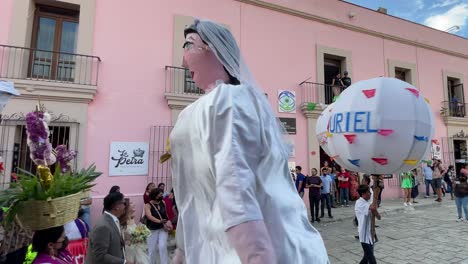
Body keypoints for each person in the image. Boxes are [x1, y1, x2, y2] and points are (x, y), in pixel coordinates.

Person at [169, 19, 328, 264]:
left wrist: (257, 256)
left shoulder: (226, 100)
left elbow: (234, 188)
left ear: (215, 49)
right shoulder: (197, 113)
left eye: (188, 45)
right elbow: (192, 199)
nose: (183, 60)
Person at [86, 192, 126, 264]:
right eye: (124, 203)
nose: (125, 206)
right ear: (117, 206)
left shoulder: (113, 220)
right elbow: (100, 256)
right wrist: (124, 262)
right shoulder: (103, 226)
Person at [355, 184, 381, 264]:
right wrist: (376, 195)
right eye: (368, 193)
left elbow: (379, 217)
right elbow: (373, 207)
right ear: (363, 194)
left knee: (366, 258)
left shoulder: (368, 202)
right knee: (371, 259)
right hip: (364, 235)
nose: (370, 194)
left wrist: (376, 192)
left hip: (371, 234)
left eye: (370, 192)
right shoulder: (359, 203)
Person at [144, 188, 171, 264]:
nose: (162, 196)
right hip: (152, 229)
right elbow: (149, 216)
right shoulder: (147, 205)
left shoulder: (162, 202)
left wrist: (168, 222)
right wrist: (159, 221)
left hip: (163, 228)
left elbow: (165, 213)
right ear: (155, 196)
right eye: (160, 194)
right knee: (152, 249)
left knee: (162, 246)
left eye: (162, 194)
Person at [123, 199, 150, 264]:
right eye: (131, 203)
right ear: (126, 207)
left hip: (137, 248)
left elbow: (134, 232)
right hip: (129, 251)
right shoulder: (123, 221)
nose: (134, 204)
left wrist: (142, 235)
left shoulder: (132, 218)